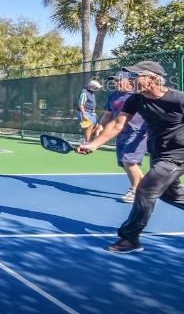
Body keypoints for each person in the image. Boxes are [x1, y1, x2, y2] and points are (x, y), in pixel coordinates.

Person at [78, 60, 184, 254]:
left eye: (136, 76)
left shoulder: (178, 99)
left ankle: (130, 238)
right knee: (171, 194)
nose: (131, 80)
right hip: (159, 153)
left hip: (178, 155)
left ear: (152, 79)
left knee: (144, 190)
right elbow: (118, 125)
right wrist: (94, 144)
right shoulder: (135, 99)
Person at [97, 71, 148, 203]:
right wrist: (101, 126)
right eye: (114, 80)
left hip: (138, 132)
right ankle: (144, 188)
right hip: (120, 133)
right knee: (125, 162)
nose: (116, 83)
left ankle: (136, 190)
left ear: (130, 81)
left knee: (128, 160)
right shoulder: (113, 95)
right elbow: (108, 114)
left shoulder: (138, 95)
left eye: (119, 80)